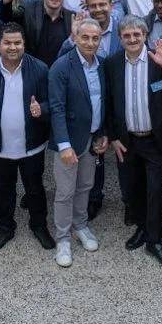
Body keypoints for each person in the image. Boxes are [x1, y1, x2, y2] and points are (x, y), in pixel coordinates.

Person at [102, 15, 162, 266]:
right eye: (126, 35)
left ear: (145, 36)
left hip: (154, 140)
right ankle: (142, 226)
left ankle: (154, 240)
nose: (132, 39)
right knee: (132, 188)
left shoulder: (159, 59)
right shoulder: (112, 63)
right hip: (126, 141)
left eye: (137, 34)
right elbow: (108, 103)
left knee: (155, 189)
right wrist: (113, 137)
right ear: (120, 38)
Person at [0, 22, 54, 251]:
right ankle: (5, 227)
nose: (12, 47)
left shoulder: (40, 69)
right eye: (7, 42)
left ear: (24, 44)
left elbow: (52, 103)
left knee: (35, 189)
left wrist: (42, 110)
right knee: (4, 189)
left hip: (32, 146)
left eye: (17, 42)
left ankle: (39, 226)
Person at [47, 16, 109, 266]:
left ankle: (80, 225)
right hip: (69, 142)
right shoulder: (62, 66)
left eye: (95, 38)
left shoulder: (102, 65)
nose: (90, 42)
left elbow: (104, 103)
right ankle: (63, 238)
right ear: (75, 38)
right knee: (65, 192)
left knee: (85, 186)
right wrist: (63, 144)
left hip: (91, 139)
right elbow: (56, 107)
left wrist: (103, 133)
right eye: (85, 37)